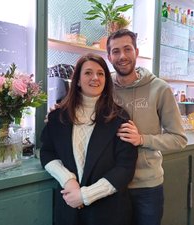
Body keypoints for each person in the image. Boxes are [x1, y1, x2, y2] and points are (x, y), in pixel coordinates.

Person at [40, 53, 138, 225]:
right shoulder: (57, 116)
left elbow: (125, 167)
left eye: (100, 73)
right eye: (88, 73)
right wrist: (68, 181)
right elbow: (47, 151)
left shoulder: (119, 117)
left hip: (109, 210)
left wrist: (85, 195)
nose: (95, 78)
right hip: (69, 207)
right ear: (77, 80)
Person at [106, 29, 188, 225]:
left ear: (137, 51)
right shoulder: (103, 86)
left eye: (127, 49)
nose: (122, 56)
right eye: (116, 51)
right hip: (110, 183)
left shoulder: (160, 88)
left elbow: (179, 139)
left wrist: (143, 139)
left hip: (147, 186)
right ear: (108, 56)